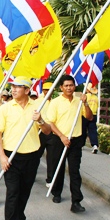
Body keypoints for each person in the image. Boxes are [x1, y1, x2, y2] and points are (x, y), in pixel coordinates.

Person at [0, 76, 51, 220]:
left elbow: (47, 131)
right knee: (12, 192)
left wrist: (40, 120)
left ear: (27, 90)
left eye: (19, 87)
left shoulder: (37, 107)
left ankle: (19, 219)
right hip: (11, 156)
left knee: (24, 191)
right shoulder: (5, 108)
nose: (14, 89)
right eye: (13, 87)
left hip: (32, 155)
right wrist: (2, 155)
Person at [47, 75, 93, 213]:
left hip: (76, 139)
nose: (69, 88)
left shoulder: (79, 101)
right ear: (61, 87)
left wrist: (85, 103)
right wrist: (62, 136)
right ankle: (57, 192)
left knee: (74, 171)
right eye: (66, 85)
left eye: (71, 85)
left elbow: (90, 117)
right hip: (59, 140)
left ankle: (76, 201)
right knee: (58, 168)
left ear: (74, 86)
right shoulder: (55, 102)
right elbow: (51, 123)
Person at [37, 81, 54, 186]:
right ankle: (31, 173)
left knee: (51, 157)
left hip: (52, 132)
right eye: (45, 89)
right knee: (35, 155)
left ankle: (50, 179)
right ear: (42, 90)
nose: (47, 91)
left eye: (49, 89)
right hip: (39, 132)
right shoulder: (37, 101)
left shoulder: (55, 102)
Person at [82, 83, 99, 154]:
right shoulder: (96, 98)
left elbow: (82, 106)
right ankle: (95, 145)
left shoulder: (85, 96)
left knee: (83, 131)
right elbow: (97, 107)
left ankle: (82, 144)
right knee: (93, 131)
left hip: (85, 115)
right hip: (93, 115)